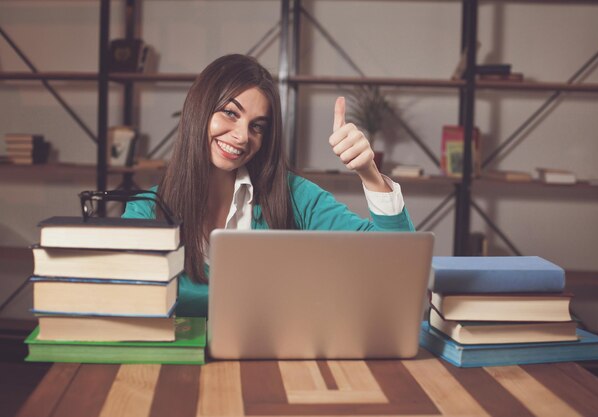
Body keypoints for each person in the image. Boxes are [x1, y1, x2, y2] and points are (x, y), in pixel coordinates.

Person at [123, 54, 414, 316]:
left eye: (257, 126)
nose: (241, 136)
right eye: (230, 113)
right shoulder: (147, 210)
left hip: (274, 369)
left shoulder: (295, 196)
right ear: (199, 110)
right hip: (179, 370)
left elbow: (398, 264)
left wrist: (369, 173)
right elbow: (123, 301)